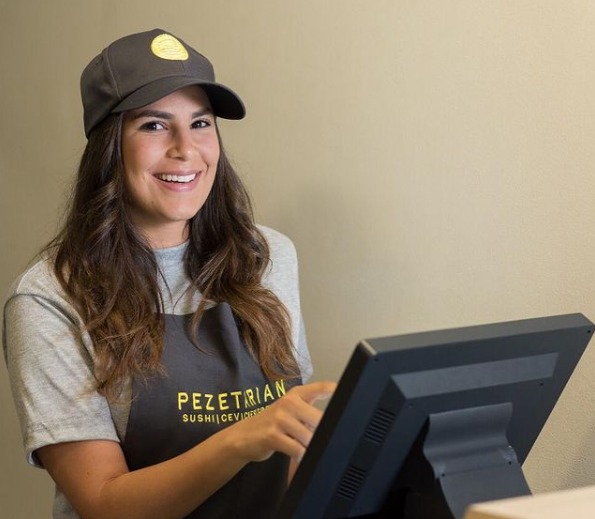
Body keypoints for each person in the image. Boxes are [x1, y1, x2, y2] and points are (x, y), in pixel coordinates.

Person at [3, 28, 335, 519]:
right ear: (110, 147)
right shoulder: (49, 298)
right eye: (154, 125)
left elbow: (292, 448)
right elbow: (104, 504)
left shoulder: (267, 256)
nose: (186, 148)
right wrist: (241, 439)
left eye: (200, 123)